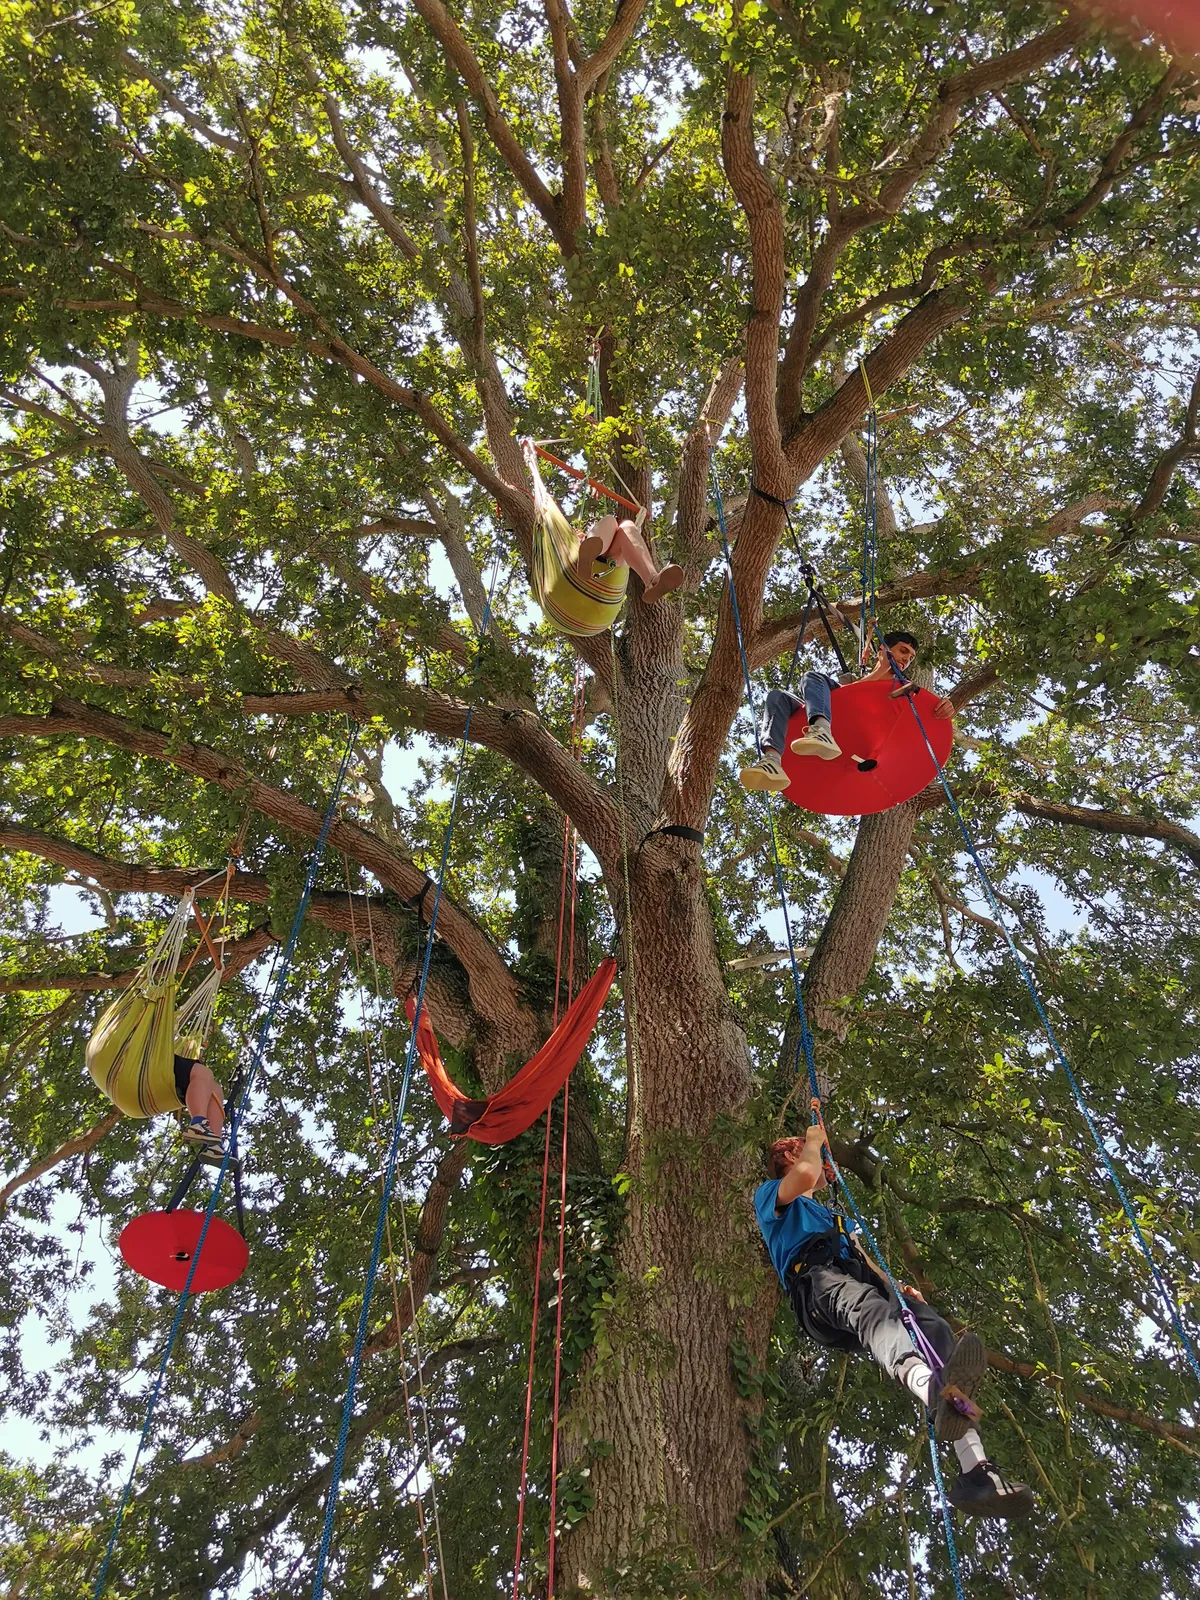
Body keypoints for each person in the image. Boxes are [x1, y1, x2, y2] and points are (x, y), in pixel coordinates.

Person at [755, 1126, 1036, 1519]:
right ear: (789, 1156)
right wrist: (814, 1139)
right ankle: (930, 1387)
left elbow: (865, 1263)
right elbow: (803, 1175)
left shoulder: (830, 1215)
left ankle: (976, 1470)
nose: (828, 1165)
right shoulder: (772, 1195)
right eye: (815, 1155)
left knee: (931, 1329)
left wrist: (898, 1288)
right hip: (816, 1282)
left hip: (855, 1280)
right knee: (873, 1312)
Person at [739, 630, 954, 793]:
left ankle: (821, 730)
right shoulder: (852, 679)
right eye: (903, 651)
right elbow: (845, 697)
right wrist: (880, 671)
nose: (907, 659)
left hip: (864, 736)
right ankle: (772, 761)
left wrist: (944, 707)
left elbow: (925, 711)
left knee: (814, 680)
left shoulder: (905, 689)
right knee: (782, 695)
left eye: (911, 657)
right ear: (884, 650)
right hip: (834, 717)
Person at [576, 511, 684, 605]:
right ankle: (588, 555)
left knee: (628, 526)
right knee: (610, 520)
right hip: (605, 555)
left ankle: (652, 580)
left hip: (612, 559)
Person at [174, 1032, 226, 1156]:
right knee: (204, 1073)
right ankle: (198, 1123)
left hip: (177, 1083)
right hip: (154, 1064)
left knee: (216, 1090)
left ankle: (214, 1146)